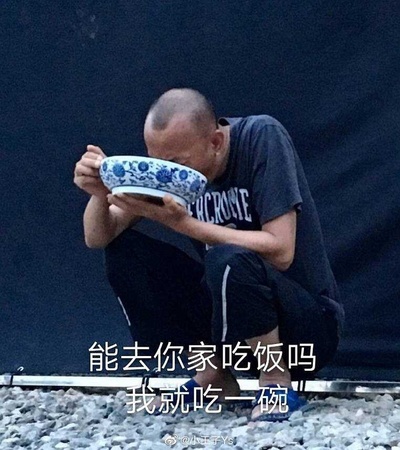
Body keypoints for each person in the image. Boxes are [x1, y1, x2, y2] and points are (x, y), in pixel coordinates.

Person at [74, 88, 344, 421]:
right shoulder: (168, 167)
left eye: (176, 163)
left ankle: (275, 380)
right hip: (233, 326)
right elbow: (99, 237)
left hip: (304, 330)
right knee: (126, 253)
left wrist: (184, 224)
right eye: (157, 160)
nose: (165, 172)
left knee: (227, 257)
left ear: (215, 142)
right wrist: (100, 194)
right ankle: (212, 376)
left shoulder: (261, 137)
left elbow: (282, 249)